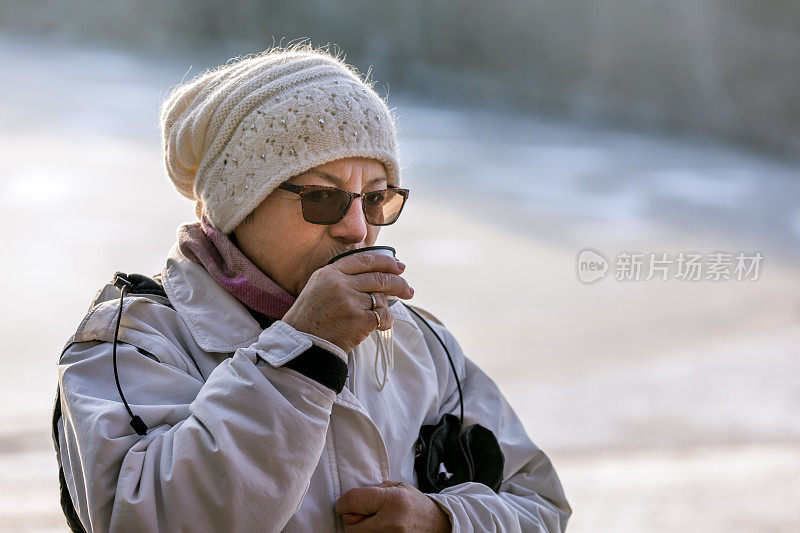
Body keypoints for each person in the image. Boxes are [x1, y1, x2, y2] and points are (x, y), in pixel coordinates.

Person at [53, 44, 571, 532]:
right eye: (323, 197)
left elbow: (539, 504)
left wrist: (442, 520)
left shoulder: (418, 341)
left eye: (376, 199)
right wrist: (304, 350)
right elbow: (140, 518)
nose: (356, 228)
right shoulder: (131, 341)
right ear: (239, 204)